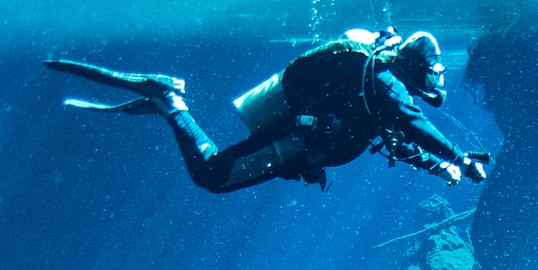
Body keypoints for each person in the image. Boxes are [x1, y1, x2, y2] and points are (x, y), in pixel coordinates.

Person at [45, 28, 487, 192]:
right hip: (292, 143)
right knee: (213, 176)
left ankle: (167, 107)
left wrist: (437, 166)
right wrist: (459, 159)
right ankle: (169, 101)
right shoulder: (384, 85)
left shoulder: (380, 88)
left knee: (215, 175)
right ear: (413, 68)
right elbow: (411, 123)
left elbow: (396, 135)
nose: (432, 84)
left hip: (298, 147)